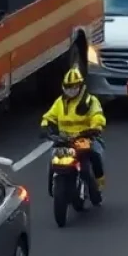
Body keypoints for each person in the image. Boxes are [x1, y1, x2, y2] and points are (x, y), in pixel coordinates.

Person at [40, 66, 106, 201]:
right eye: (68, 87)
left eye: (75, 86)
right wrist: (45, 127)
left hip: (86, 138)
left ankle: (99, 185)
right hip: (64, 140)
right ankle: (52, 186)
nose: (71, 90)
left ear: (81, 86)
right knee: (52, 160)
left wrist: (95, 127)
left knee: (95, 156)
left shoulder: (90, 101)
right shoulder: (60, 102)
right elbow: (49, 116)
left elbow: (97, 116)